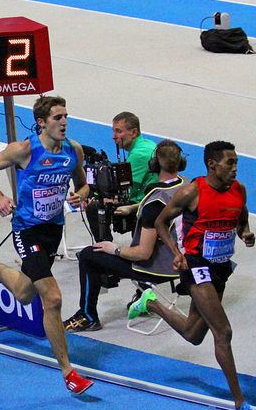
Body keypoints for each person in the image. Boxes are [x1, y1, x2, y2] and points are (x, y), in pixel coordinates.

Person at [0, 95, 94, 395]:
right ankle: (68, 372)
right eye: (58, 118)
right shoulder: (23, 149)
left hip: (53, 231)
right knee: (54, 298)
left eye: (65, 116)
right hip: (27, 230)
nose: (64, 122)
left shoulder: (73, 150)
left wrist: (81, 193)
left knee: (23, 293)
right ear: (41, 123)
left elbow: (83, 183)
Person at [129, 140, 256, 410]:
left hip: (220, 268)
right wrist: (177, 254)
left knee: (193, 334)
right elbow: (161, 222)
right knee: (223, 332)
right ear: (212, 165)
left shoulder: (239, 191)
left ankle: (150, 302)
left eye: (236, 162)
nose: (235, 168)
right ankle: (241, 403)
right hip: (196, 267)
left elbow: (241, 217)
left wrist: (246, 233)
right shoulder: (192, 192)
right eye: (230, 162)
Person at [64, 140, 187, 332]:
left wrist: (114, 248)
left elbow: (143, 254)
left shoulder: (153, 203)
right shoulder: (186, 186)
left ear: (153, 164)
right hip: (189, 259)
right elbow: (166, 206)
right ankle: (140, 295)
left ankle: (87, 315)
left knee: (90, 255)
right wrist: (133, 207)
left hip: (163, 267)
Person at [85, 111, 157, 242]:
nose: (114, 136)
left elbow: (127, 189)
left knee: (94, 207)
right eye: (113, 131)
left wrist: (106, 199)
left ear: (134, 132)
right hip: (150, 198)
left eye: (119, 131)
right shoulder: (147, 144)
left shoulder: (139, 154)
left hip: (143, 204)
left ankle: (104, 247)